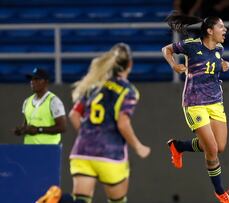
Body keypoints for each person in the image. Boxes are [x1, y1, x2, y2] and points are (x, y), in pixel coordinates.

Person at [36, 43, 151, 203]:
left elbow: (74, 114)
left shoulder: (94, 86)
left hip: (83, 151)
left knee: (81, 200)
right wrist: (139, 147)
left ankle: (58, 199)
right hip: (111, 154)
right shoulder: (128, 90)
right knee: (117, 200)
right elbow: (123, 123)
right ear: (129, 64)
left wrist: (88, 135)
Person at [162, 12, 229, 203]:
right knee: (211, 149)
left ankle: (177, 146)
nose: (225, 30)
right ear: (210, 31)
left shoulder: (219, 48)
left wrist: (223, 64)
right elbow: (166, 49)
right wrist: (174, 65)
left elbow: (215, 64)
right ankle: (220, 192)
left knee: (219, 147)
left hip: (215, 103)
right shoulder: (192, 45)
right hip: (195, 103)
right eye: (221, 27)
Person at [13, 68, 66, 144]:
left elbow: (62, 127)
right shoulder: (27, 101)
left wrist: (38, 130)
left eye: (36, 79)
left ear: (46, 82)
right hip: (29, 149)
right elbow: (26, 125)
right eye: (31, 79)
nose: (32, 82)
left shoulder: (54, 101)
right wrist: (21, 130)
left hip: (48, 150)